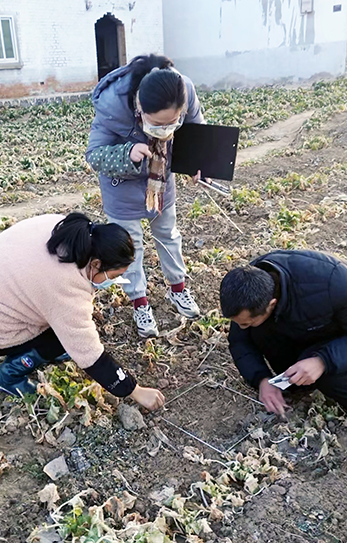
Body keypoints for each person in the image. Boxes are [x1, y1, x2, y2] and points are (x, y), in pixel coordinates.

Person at [0, 212, 166, 411]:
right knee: (62, 338)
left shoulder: (67, 230)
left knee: (65, 326)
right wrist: (134, 390)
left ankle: (34, 350)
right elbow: (90, 355)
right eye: (113, 275)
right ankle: (8, 376)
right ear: (96, 264)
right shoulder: (63, 286)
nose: (113, 281)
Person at [219, 249, 347, 445]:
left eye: (244, 322)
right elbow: (240, 341)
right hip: (306, 327)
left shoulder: (333, 280)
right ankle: (309, 366)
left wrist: (321, 361)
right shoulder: (250, 287)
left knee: (327, 368)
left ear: (271, 304)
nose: (239, 327)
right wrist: (262, 380)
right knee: (264, 340)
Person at [86, 54, 203, 338]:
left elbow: (197, 129)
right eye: (156, 124)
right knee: (130, 249)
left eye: (171, 123)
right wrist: (128, 154)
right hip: (121, 188)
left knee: (169, 236)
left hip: (162, 183)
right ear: (139, 107)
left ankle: (178, 289)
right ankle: (139, 302)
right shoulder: (113, 104)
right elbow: (94, 155)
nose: (164, 131)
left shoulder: (183, 90)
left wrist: (198, 162)